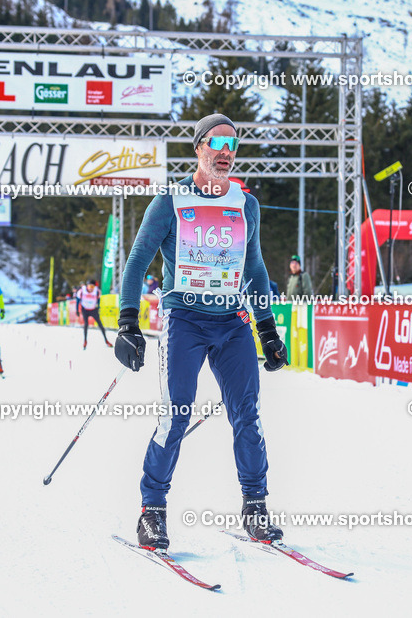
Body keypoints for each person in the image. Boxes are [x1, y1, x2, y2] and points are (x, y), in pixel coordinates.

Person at [114, 113, 289, 551]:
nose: (226, 151)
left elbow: (255, 269)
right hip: (185, 321)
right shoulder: (170, 201)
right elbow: (137, 262)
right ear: (199, 148)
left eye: (233, 143)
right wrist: (128, 323)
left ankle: (256, 508)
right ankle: (151, 512)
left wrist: (267, 329)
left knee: (247, 416)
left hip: (231, 323)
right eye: (217, 142)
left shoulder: (246, 204)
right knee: (175, 415)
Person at [76, 278, 112, 350]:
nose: (91, 289)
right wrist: (77, 310)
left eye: (92, 287)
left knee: (100, 325)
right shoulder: (81, 291)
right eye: (89, 287)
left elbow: (98, 300)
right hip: (85, 309)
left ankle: (106, 340)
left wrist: (98, 307)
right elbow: (77, 301)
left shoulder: (97, 291)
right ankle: (85, 341)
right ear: (87, 286)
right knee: (86, 324)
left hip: (93, 309)